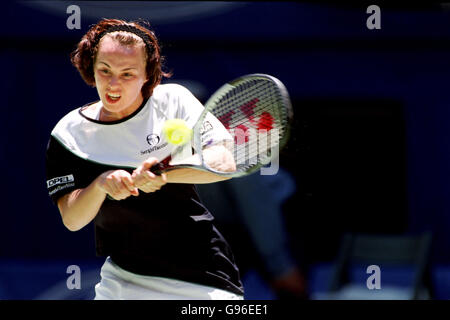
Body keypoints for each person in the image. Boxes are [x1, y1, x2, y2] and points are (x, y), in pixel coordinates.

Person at [45, 18, 244, 300]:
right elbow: (73, 219)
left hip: (202, 276)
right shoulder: (69, 134)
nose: (114, 84)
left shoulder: (173, 100)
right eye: (105, 70)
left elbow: (224, 163)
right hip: (123, 279)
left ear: (147, 75)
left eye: (127, 74)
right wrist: (101, 184)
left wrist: (164, 173)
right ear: (91, 67)